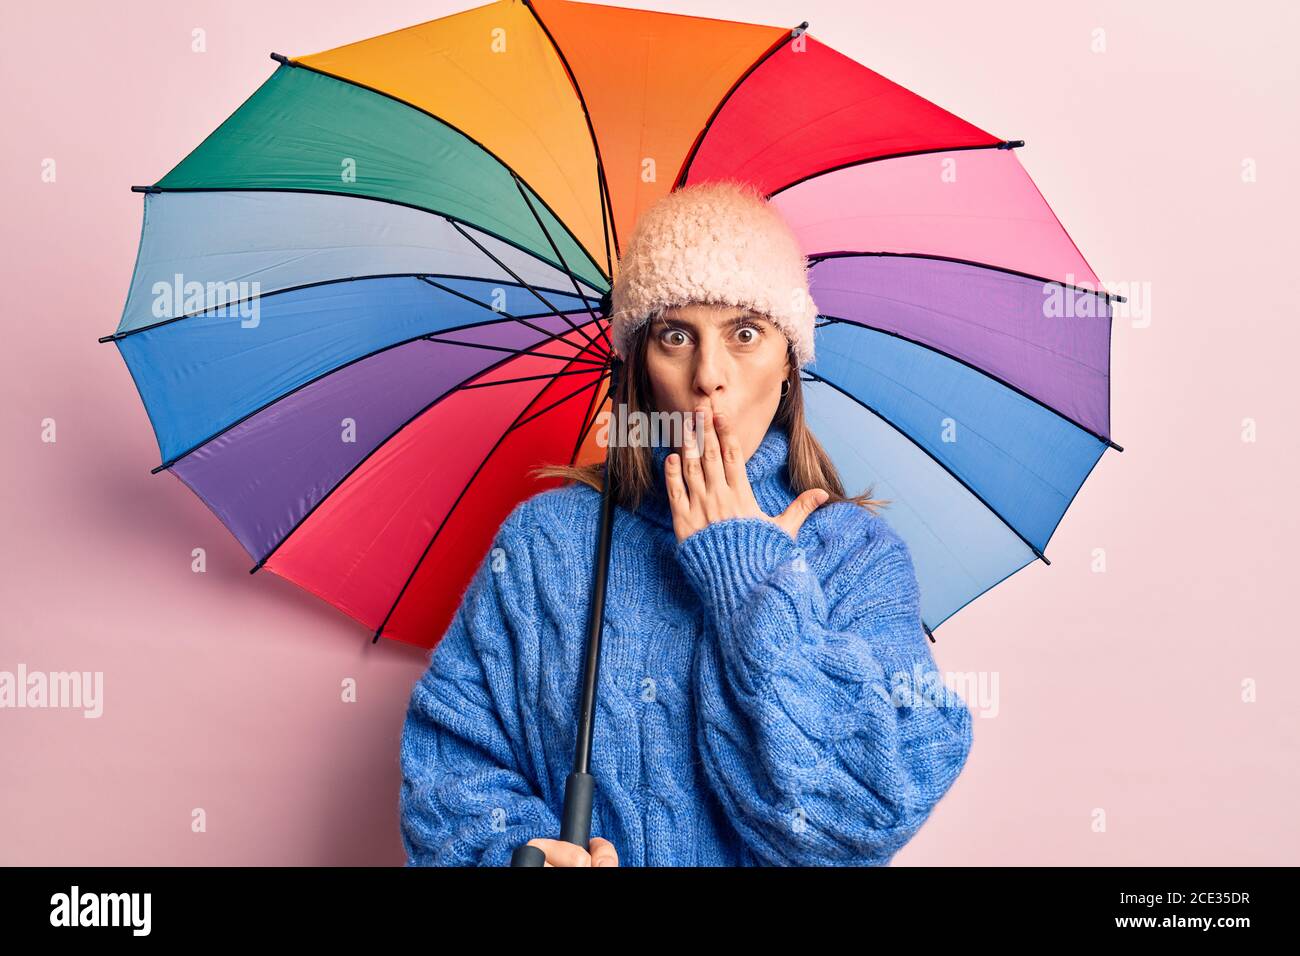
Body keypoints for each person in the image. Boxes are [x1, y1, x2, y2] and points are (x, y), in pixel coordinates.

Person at [398, 180, 973, 867]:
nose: (709, 376)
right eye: (675, 336)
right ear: (638, 365)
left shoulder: (855, 556)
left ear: (789, 364)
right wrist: (518, 854)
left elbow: (863, 812)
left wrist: (748, 580)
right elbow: (450, 769)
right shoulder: (545, 544)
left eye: (746, 333)